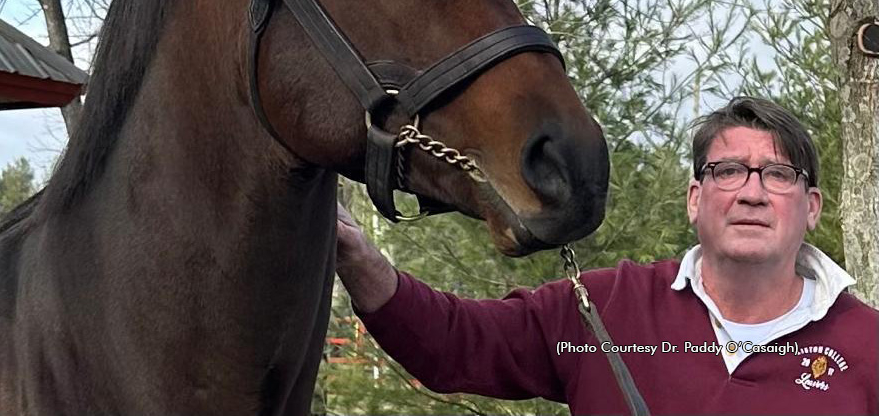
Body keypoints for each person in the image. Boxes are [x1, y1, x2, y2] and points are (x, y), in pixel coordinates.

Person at [335, 96, 878, 415]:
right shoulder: (600, 312)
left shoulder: (869, 347)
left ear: (811, 207)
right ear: (696, 199)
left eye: (778, 175)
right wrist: (360, 258)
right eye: (728, 171)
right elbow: (455, 345)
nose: (752, 192)